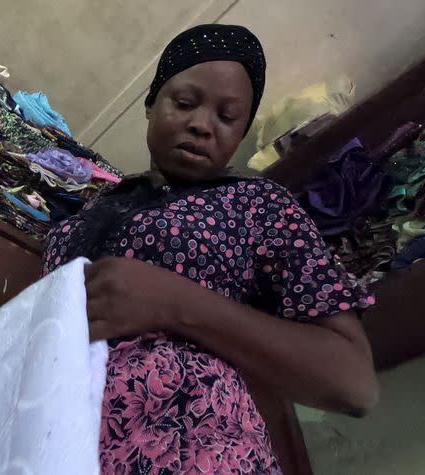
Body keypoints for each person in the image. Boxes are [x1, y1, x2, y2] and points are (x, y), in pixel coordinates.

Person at [41, 24, 378, 474]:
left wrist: (178, 303)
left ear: (240, 137)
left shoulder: (259, 205)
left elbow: (352, 383)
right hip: (53, 444)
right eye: (184, 103)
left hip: (193, 454)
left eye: (227, 117)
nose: (201, 125)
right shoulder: (92, 209)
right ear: (150, 103)